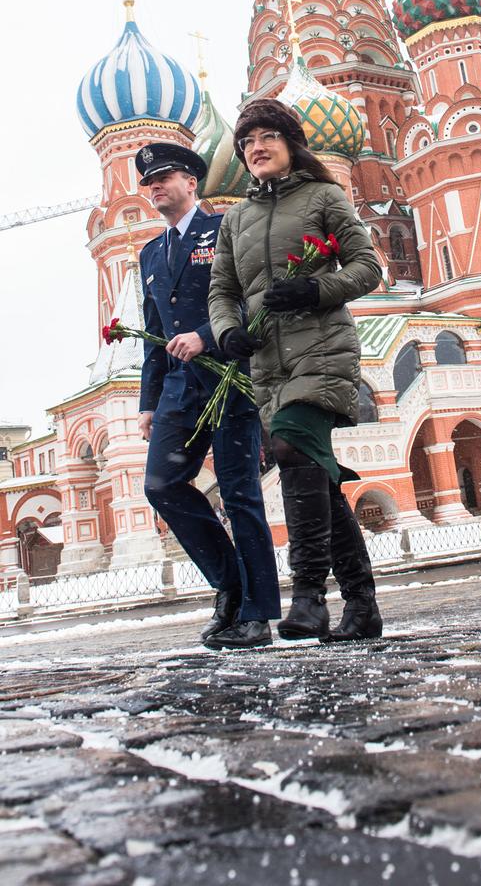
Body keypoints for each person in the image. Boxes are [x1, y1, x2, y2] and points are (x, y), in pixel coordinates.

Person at [208, 100, 385, 643]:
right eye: (246, 143)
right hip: (267, 363)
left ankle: (308, 594)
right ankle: (362, 603)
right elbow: (222, 291)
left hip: (322, 350)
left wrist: (315, 287)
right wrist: (227, 333)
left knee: (288, 448)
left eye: (266, 137)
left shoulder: (324, 196)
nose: (255, 148)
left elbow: (367, 269)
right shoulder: (235, 218)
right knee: (317, 478)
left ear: (290, 142)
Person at [136, 142, 280, 650]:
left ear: (191, 182)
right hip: (179, 390)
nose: (155, 186)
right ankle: (230, 585)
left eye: (164, 177)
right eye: (148, 181)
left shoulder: (224, 229)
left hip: (229, 378)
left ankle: (257, 614)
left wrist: (206, 334)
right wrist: (148, 403)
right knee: (162, 484)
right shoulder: (149, 254)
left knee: (241, 492)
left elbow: (249, 300)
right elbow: (154, 334)